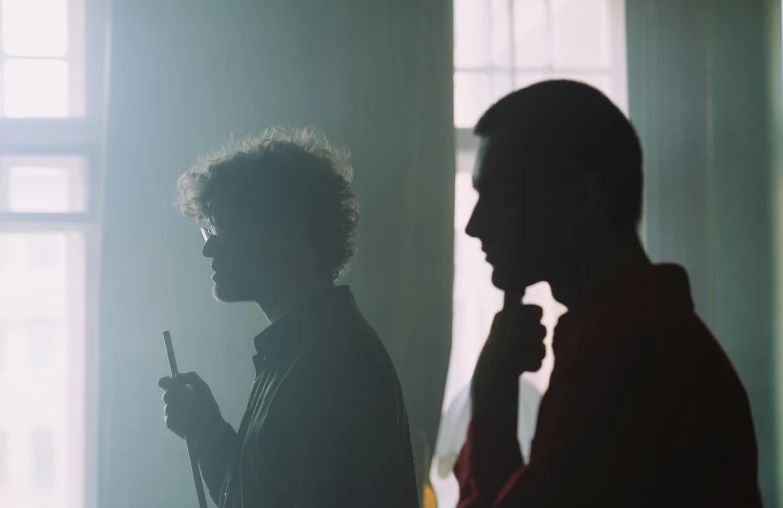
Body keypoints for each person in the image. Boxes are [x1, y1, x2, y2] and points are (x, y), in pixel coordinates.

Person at [455, 80, 762, 508]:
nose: (474, 225)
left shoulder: (627, 353)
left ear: (580, 199)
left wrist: (490, 397)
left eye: (501, 196)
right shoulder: (638, 333)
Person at [158, 126, 419, 508]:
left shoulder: (332, 364)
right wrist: (209, 432)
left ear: (286, 231)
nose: (209, 247)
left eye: (223, 229)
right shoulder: (298, 353)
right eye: (208, 230)